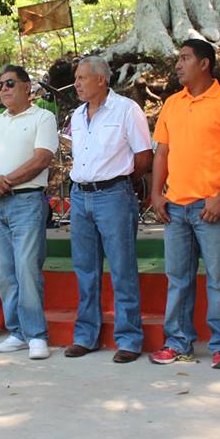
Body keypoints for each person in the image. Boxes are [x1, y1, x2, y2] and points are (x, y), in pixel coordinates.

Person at [149, 39, 220, 368]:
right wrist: (155, 194)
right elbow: (162, 152)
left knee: (219, 278)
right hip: (176, 207)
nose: (178, 65)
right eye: (177, 59)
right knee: (177, 278)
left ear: (204, 63)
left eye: (184, 58)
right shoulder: (172, 104)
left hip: (212, 208)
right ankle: (178, 342)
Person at [64, 56, 152, 364]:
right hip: (80, 196)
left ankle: (129, 338)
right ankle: (85, 336)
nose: (76, 83)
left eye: (82, 78)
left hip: (114, 194)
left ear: (101, 80)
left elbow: (143, 156)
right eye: (76, 78)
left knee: (121, 268)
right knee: (85, 270)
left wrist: (122, 182)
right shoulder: (76, 115)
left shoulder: (127, 109)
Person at [0, 65, 58, 360]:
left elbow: (41, 159)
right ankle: (18, 332)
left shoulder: (43, 117)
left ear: (27, 87)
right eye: (0, 85)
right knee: (5, 273)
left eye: (10, 83)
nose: (4, 89)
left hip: (26, 201)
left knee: (26, 268)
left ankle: (37, 334)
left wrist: (2, 183)